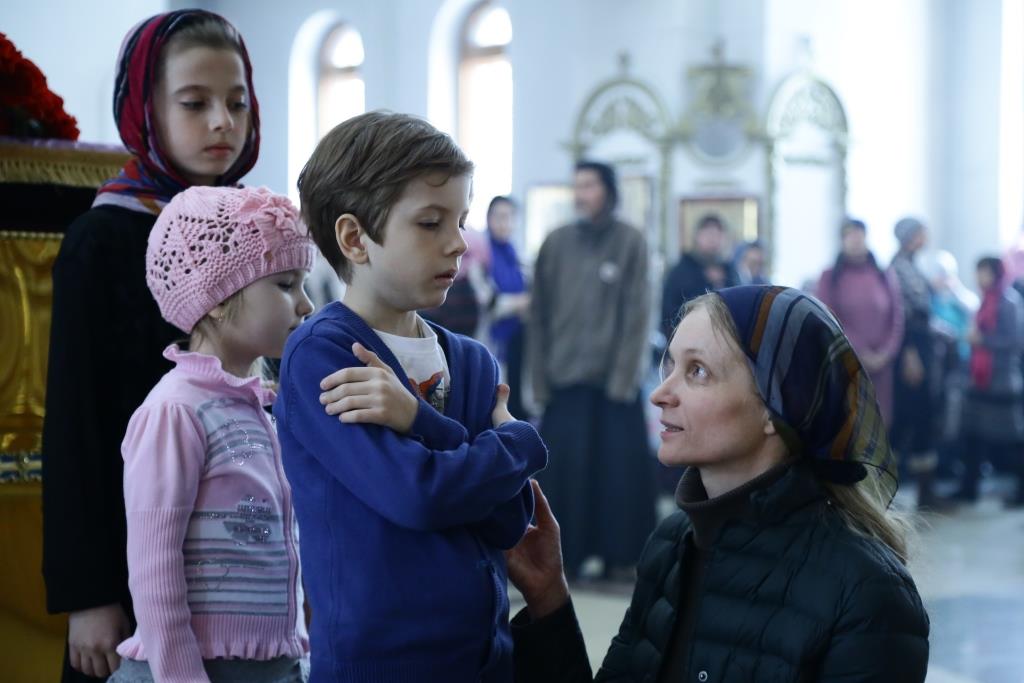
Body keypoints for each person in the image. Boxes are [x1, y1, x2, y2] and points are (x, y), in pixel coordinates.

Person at [508, 285, 930, 682]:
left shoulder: (868, 595)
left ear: (775, 408)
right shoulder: (672, 545)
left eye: (697, 371)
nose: (660, 394)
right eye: (670, 365)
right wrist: (549, 599)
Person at [276, 111, 548, 681]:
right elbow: (418, 496)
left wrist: (417, 420)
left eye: (461, 220)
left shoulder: (472, 361)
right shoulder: (323, 355)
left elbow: (508, 520)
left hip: (483, 661)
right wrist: (517, 443)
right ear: (355, 239)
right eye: (430, 223)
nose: (460, 243)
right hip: (379, 666)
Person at [40, 11, 261, 681]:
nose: (222, 122)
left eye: (237, 102)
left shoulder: (253, 227)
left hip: (243, 570)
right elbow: (76, 423)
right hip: (137, 553)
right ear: (145, 111)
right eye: (194, 103)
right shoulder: (104, 238)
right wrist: (89, 594)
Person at [108, 186, 313, 682]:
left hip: (268, 665)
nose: (306, 304)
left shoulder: (259, 408)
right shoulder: (175, 410)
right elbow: (154, 568)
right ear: (218, 301)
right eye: (285, 285)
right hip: (194, 668)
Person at [528, 160, 655, 580]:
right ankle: (569, 558)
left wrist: (624, 379)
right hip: (565, 382)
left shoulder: (631, 242)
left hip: (615, 386)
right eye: (577, 186)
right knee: (566, 479)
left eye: (589, 186)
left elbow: (639, 315)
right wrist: (539, 381)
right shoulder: (556, 243)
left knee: (618, 478)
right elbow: (538, 315)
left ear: (609, 191)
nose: (581, 194)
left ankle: (620, 559)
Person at [816, 218, 904, 425]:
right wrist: (860, 352)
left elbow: (897, 318)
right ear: (842, 240)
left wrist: (885, 353)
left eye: (859, 235)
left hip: (882, 366)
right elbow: (828, 317)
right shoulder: (829, 277)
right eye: (849, 235)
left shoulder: (884, 275)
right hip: (846, 362)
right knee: (848, 423)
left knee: (880, 423)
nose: (855, 240)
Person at [955, 257, 1024, 506]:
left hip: (1002, 381)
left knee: (1012, 439)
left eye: (983, 272)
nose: (979, 278)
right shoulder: (985, 301)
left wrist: (982, 340)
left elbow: (1015, 341)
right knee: (972, 436)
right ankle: (968, 488)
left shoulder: (1009, 302)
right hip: (980, 381)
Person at [888, 217, 943, 508]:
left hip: (923, 348)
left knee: (924, 417)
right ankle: (884, 493)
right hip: (910, 352)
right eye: (921, 233)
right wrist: (910, 355)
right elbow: (903, 316)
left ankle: (927, 492)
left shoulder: (912, 265)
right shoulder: (897, 268)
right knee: (908, 417)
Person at [483, 196, 530, 418]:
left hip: (517, 337)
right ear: (489, 219)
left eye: (509, 217)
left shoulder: (515, 254)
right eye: (499, 217)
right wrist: (522, 302)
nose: (504, 223)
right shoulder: (481, 253)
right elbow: (486, 301)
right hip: (490, 338)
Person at [661, 213, 739, 340]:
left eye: (717, 234)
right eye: (708, 234)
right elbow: (669, 312)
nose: (713, 239)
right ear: (697, 237)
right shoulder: (681, 271)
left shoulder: (730, 271)